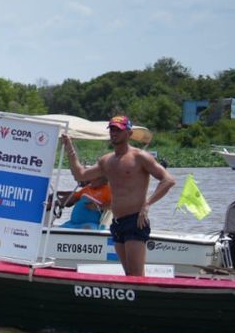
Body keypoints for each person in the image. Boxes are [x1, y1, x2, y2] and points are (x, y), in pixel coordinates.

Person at [61, 115, 175, 276]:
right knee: (129, 275)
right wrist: (70, 148)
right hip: (117, 222)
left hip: (135, 220)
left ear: (129, 133)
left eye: (118, 130)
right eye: (112, 129)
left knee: (135, 275)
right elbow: (80, 175)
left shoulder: (140, 157)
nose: (114, 133)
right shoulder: (106, 160)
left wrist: (147, 204)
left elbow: (168, 180)